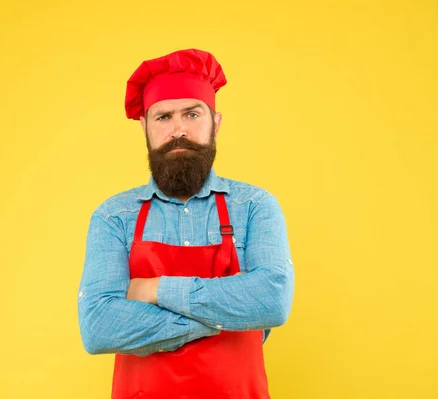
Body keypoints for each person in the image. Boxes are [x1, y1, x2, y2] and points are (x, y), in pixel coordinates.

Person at [78, 48, 295, 399]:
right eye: (163, 117)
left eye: (192, 114)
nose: (178, 130)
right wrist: (228, 314)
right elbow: (99, 328)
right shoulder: (114, 216)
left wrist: (153, 290)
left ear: (216, 123)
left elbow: (271, 301)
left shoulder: (254, 206)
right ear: (144, 126)